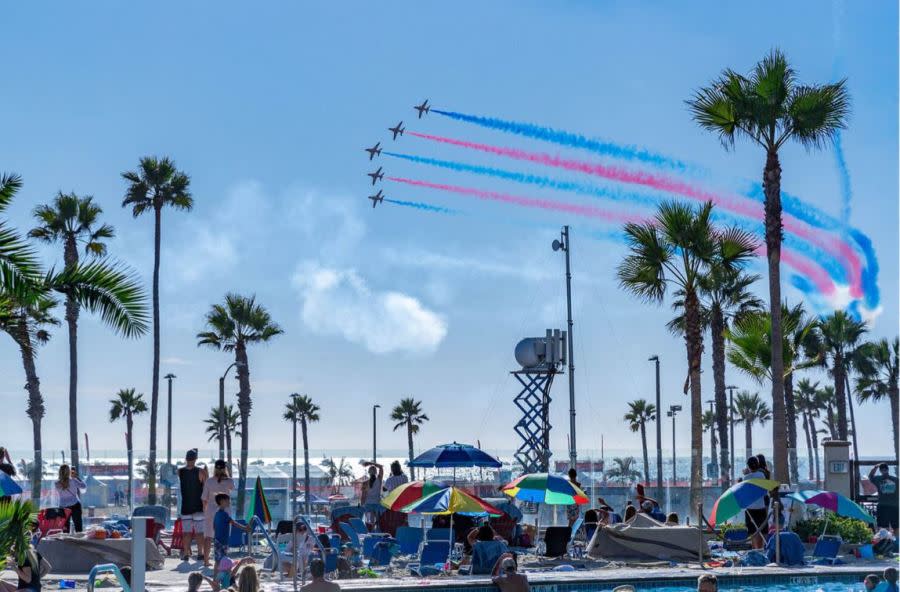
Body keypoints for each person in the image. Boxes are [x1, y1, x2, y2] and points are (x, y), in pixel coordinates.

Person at [202, 460, 235, 567]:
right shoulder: (229, 481)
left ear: (215, 468)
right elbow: (232, 488)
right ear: (225, 468)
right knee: (223, 537)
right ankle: (223, 560)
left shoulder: (209, 481)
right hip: (224, 510)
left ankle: (206, 560)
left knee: (208, 536)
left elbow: (204, 498)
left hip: (210, 510)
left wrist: (205, 510)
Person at [178, 449, 208, 562]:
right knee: (200, 532)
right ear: (195, 459)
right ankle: (200, 553)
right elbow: (206, 489)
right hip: (198, 506)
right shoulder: (201, 472)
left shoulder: (180, 471)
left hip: (185, 506)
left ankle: (186, 553)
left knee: (186, 532)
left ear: (186, 459)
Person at [213, 493, 250, 565]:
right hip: (222, 541)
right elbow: (234, 523)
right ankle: (221, 574)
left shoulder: (217, 514)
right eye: (228, 500)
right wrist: (245, 528)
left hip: (217, 540)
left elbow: (214, 526)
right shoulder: (224, 514)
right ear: (222, 501)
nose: (229, 502)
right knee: (222, 560)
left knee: (218, 560)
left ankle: (216, 575)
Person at [743, 456, 768, 549]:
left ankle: (754, 549)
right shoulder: (761, 475)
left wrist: (746, 474)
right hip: (760, 507)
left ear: (748, 466)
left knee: (752, 531)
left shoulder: (746, 477)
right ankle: (761, 548)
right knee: (761, 529)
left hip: (750, 508)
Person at [55, 464, 86, 533]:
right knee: (78, 529)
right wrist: (76, 477)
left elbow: (64, 483)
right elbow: (84, 487)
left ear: (60, 472)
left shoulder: (57, 484)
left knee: (65, 530)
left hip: (63, 507)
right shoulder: (73, 481)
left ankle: (66, 543)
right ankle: (79, 543)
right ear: (69, 472)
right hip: (75, 505)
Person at [869, 464, 899, 529]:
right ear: (888, 469)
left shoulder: (878, 479)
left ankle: (886, 538)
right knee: (896, 527)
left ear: (880, 471)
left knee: (883, 527)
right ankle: (896, 539)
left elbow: (870, 476)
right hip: (894, 506)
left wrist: (875, 467)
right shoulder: (896, 480)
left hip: (883, 506)